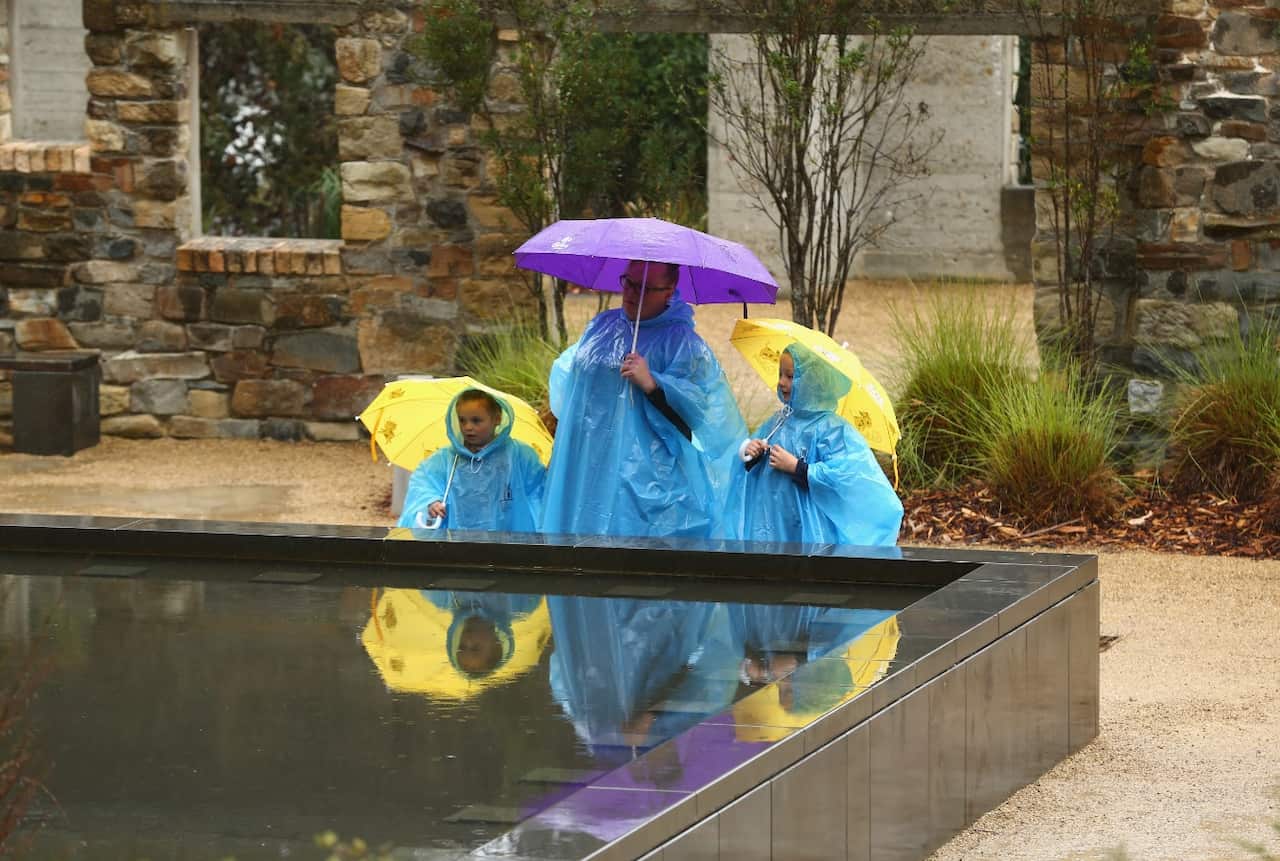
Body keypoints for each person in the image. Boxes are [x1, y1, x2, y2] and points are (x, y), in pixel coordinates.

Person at [542, 260, 746, 539]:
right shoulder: (603, 325)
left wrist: (653, 384)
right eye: (629, 282)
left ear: (669, 289)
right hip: (589, 461)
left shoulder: (683, 344)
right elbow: (570, 381)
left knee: (633, 553)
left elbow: (700, 417)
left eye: (645, 288)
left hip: (646, 476)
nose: (632, 293)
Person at [735, 342, 902, 546]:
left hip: (811, 526)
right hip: (773, 520)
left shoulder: (833, 429)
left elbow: (847, 475)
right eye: (780, 374)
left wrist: (798, 468)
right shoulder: (779, 420)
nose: (781, 382)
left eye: (790, 376)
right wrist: (752, 452)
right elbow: (749, 463)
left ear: (812, 382)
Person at [397, 388, 545, 533]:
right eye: (462, 420)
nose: (468, 427)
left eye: (476, 421)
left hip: (507, 536)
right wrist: (432, 501)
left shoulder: (519, 454)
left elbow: (539, 489)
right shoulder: (448, 458)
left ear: (497, 419)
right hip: (455, 540)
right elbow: (423, 481)